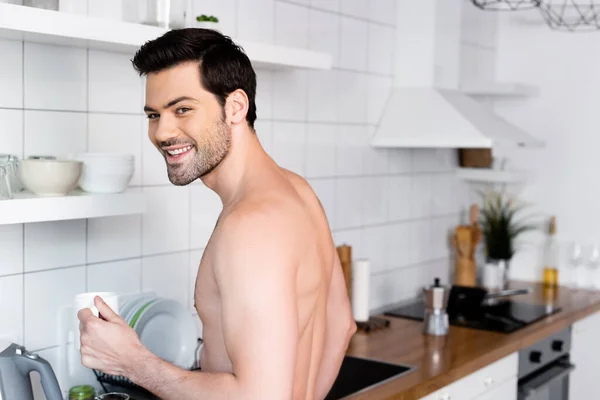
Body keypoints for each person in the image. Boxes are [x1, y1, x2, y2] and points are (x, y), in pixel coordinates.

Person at [77, 28, 356, 400]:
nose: (162, 132)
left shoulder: (249, 226)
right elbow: (341, 327)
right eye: (153, 115)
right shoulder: (297, 191)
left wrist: (133, 363)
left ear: (236, 107)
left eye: (182, 110)